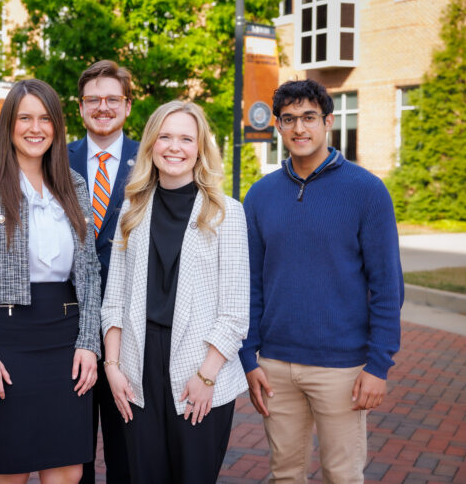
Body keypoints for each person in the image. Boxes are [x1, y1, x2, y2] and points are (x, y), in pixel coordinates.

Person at [239, 79, 404, 483]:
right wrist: (248, 358)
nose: (300, 129)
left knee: (342, 475)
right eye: (289, 119)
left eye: (309, 117)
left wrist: (378, 365)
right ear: (277, 126)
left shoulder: (367, 191)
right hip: (275, 366)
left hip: (342, 368)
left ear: (328, 121)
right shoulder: (259, 196)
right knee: (286, 474)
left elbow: (387, 288)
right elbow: (250, 285)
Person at [0, 78, 101, 484]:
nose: (36, 128)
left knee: (67, 470)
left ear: (57, 126)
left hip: (66, 341)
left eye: (45, 119)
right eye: (24, 118)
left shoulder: (75, 185)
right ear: (8, 126)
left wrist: (89, 342)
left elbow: (89, 272)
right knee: (12, 471)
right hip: (4, 341)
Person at [101, 100, 250, 484]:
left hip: (200, 366)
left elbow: (235, 313)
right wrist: (112, 368)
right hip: (137, 366)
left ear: (200, 148)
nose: (174, 147)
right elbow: (114, 299)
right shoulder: (132, 209)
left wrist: (206, 377)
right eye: (165, 136)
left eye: (186, 138)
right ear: (151, 144)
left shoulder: (226, 212)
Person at [68, 59, 139, 484]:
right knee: (73, 451)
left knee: (125, 449)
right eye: (93, 100)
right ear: (80, 108)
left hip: (129, 328)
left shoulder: (151, 159)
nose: (103, 107)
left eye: (113, 99)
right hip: (66, 324)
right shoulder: (57, 158)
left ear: (128, 106)